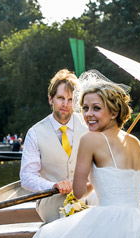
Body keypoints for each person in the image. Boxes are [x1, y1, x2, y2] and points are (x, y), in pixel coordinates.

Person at [21, 71, 140, 238]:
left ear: (113, 112)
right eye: (85, 108)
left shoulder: (89, 134)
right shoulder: (136, 142)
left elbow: (78, 192)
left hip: (102, 215)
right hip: (138, 224)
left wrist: (98, 182)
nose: (88, 114)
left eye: (71, 100)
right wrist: (107, 181)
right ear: (50, 99)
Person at [20, 69, 90, 223]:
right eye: (60, 98)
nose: (65, 104)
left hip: (87, 197)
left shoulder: (88, 125)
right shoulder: (35, 133)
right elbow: (26, 177)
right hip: (51, 202)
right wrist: (53, 185)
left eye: (71, 99)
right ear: (50, 99)